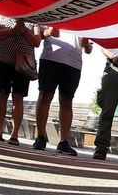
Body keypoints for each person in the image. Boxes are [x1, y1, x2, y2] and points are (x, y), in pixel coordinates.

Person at [32, 26, 89, 155]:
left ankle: (63, 142)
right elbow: (37, 36)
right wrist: (48, 32)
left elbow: (89, 49)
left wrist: (86, 45)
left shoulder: (85, 13)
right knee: (45, 96)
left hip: (74, 64)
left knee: (67, 101)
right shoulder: (52, 9)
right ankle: (40, 137)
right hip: (50, 58)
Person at [0, 17, 37, 143]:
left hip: (24, 63)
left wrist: (23, 30)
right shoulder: (3, 15)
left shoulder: (34, 20)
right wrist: (13, 30)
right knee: (2, 94)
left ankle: (14, 134)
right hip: (3, 58)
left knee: (18, 97)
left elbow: (37, 42)